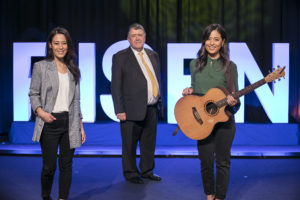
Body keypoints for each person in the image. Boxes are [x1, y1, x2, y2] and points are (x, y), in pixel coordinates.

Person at [182, 24, 240, 200]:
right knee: (206, 162)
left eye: (216, 39)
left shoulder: (230, 66)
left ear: (223, 42)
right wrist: (189, 92)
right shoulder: (194, 64)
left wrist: (233, 100)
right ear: (203, 41)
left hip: (224, 121)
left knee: (223, 162)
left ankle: (220, 197)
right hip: (202, 122)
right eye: (208, 38)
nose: (211, 43)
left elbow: (235, 96)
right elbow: (196, 89)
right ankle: (209, 195)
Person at [29, 27, 86, 200]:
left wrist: (81, 127)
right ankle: (46, 197)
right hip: (49, 122)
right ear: (50, 45)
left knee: (66, 165)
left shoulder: (73, 69)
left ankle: (62, 198)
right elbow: (33, 93)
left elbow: (76, 101)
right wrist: (41, 112)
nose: (60, 47)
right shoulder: (41, 67)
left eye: (64, 43)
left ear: (68, 46)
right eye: (56, 43)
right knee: (49, 166)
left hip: (70, 123)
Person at [111, 23, 162, 184]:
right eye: (134, 35)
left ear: (145, 38)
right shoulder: (120, 57)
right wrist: (119, 109)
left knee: (149, 143)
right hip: (130, 109)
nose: (137, 38)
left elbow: (157, 79)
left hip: (152, 108)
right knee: (129, 144)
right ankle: (131, 173)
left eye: (140, 35)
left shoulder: (153, 55)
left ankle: (147, 171)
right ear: (128, 39)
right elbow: (116, 85)